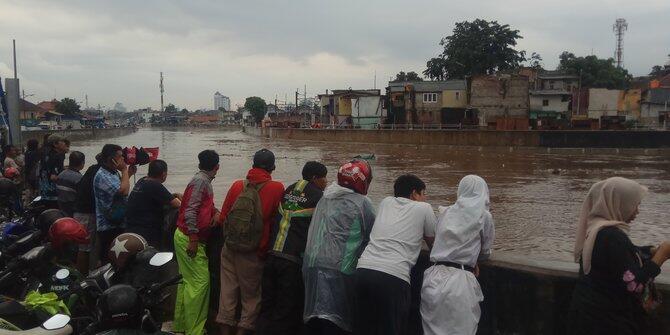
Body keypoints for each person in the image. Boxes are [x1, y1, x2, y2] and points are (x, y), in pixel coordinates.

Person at [568, 177, 670, 335]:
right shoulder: (613, 236)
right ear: (618, 203)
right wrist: (661, 256)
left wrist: (649, 251)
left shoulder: (597, 230)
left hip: (586, 318)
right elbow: (634, 285)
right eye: (634, 205)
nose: (637, 211)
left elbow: (620, 256)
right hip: (607, 323)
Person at [354, 174, 437, 335]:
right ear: (414, 193)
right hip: (394, 277)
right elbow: (434, 244)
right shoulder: (424, 208)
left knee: (365, 327)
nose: (425, 198)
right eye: (423, 193)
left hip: (363, 271)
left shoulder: (385, 203)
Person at [303, 159, 376, 335]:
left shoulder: (326, 198)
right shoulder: (363, 203)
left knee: (317, 318)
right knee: (337, 321)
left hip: (313, 263)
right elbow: (371, 235)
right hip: (341, 268)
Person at [217, 149, 285, 335]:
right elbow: (279, 222)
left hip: (229, 249)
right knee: (251, 297)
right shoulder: (277, 188)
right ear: (273, 167)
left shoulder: (237, 185)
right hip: (254, 253)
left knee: (227, 292)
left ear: (252, 164)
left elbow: (223, 218)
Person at [256, 161, 328, 335]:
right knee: (286, 311)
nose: (326, 182)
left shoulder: (288, 190)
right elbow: (322, 232)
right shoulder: (319, 197)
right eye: (324, 178)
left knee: (267, 306)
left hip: (272, 256)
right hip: (292, 262)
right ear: (314, 178)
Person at [420, 175, 494, 335]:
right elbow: (486, 252)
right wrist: (473, 257)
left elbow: (439, 239)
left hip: (433, 276)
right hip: (461, 280)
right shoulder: (484, 216)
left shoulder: (445, 212)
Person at [173, 150, 221, 335]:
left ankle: (182, 325)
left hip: (183, 235)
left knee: (187, 282)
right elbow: (190, 211)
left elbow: (201, 205)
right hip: (189, 238)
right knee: (200, 284)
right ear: (216, 167)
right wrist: (193, 238)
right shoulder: (201, 182)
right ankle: (196, 330)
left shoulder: (200, 180)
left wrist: (215, 212)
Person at [93, 144, 136, 265]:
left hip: (117, 221)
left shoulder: (112, 173)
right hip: (108, 225)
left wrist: (128, 174)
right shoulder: (102, 175)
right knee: (110, 260)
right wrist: (124, 170)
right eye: (119, 157)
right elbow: (123, 191)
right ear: (110, 159)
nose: (123, 159)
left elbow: (120, 187)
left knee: (120, 260)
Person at [125, 159, 181, 248]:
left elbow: (157, 196)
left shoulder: (142, 181)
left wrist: (173, 195)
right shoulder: (155, 185)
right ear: (163, 174)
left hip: (132, 227)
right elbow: (178, 204)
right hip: (147, 231)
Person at [74, 154, 103, 273]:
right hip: (87, 213)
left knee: (84, 247)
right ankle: (82, 277)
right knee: (85, 248)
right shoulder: (100, 173)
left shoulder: (91, 169)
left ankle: (83, 275)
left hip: (81, 211)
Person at [39, 134, 70, 209]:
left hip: (44, 191)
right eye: (62, 142)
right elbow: (54, 177)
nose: (64, 143)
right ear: (55, 144)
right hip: (53, 194)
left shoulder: (46, 153)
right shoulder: (58, 156)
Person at [56, 151, 85, 216]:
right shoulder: (79, 178)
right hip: (72, 209)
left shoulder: (61, 174)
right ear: (82, 163)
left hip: (61, 207)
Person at [23, 139, 40, 205]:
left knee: (30, 189)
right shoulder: (36, 153)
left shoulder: (27, 152)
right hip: (34, 173)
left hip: (28, 173)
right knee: (35, 189)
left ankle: (29, 203)